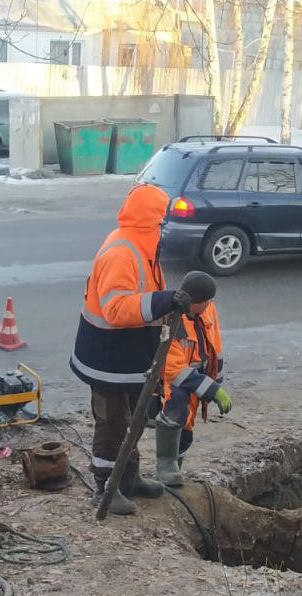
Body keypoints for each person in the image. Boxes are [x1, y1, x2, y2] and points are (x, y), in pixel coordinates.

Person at [70, 184, 191, 516]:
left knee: (135, 417)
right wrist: (163, 300)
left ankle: (129, 478)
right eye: (163, 217)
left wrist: (168, 308)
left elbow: (145, 296)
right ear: (152, 219)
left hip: (129, 357)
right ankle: (104, 486)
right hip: (106, 358)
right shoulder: (123, 251)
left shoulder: (143, 245)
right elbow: (116, 309)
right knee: (112, 422)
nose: (166, 225)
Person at [155, 271, 230, 487]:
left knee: (187, 431)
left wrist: (215, 382)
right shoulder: (173, 321)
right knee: (178, 413)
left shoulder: (207, 312)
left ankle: (176, 466)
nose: (210, 304)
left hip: (197, 383)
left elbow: (215, 347)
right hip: (173, 385)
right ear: (196, 303)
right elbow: (172, 369)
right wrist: (212, 390)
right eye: (206, 301)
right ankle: (166, 465)